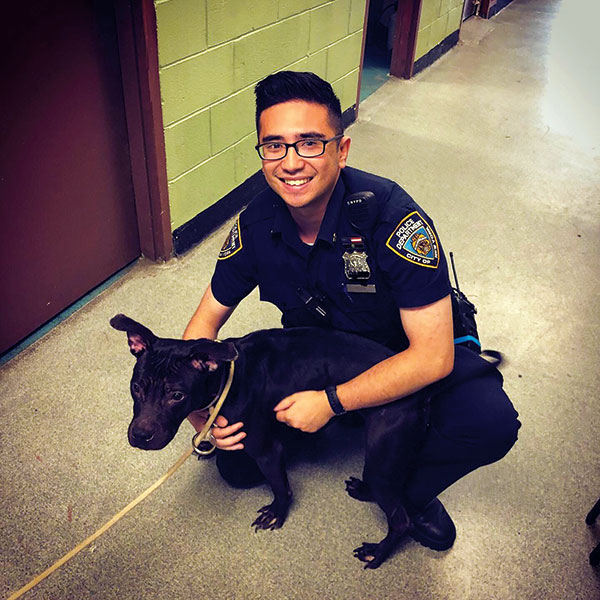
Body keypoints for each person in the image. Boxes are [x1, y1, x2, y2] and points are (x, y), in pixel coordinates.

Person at [183, 71, 520, 551]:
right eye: (274, 146)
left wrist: (331, 403)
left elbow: (432, 358)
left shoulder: (394, 220)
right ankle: (344, 426)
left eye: (310, 143)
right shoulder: (256, 224)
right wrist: (203, 409)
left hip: (400, 358)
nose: (291, 162)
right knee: (237, 469)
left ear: (341, 151)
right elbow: (203, 326)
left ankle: (410, 493)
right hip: (314, 359)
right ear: (261, 155)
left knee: (488, 422)